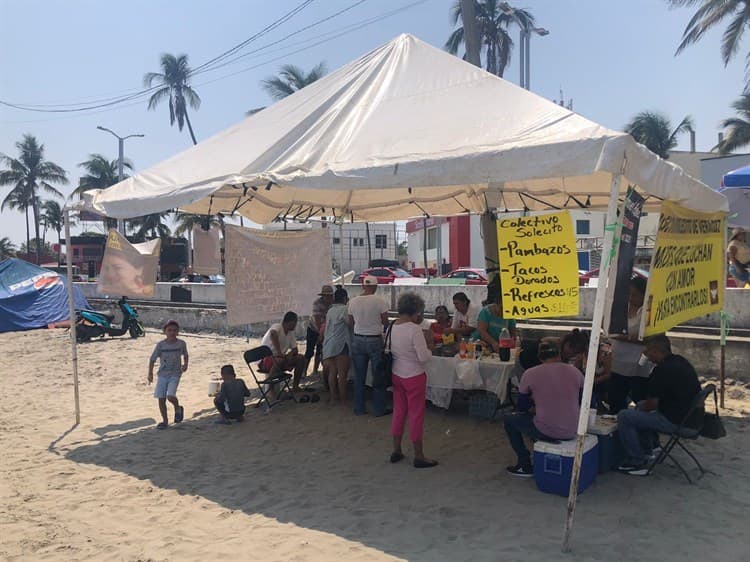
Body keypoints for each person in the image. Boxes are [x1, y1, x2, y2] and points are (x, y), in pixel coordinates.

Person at [617, 335, 703, 475]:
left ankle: (637, 460)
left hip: (678, 422)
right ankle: (648, 448)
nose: (647, 356)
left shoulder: (662, 370)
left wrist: (640, 407)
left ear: (656, 351)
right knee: (639, 407)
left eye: (648, 352)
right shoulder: (681, 361)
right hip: (692, 419)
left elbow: (652, 405)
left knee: (624, 416)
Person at [503, 340, 584, 477]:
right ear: (559, 354)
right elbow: (587, 400)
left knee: (509, 419)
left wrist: (536, 403)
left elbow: (522, 407)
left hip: (547, 429)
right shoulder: (575, 371)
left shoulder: (530, 373)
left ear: (539, 357)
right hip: (574, 428)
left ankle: (524, 464)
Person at [389, 292, 438, 468]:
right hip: (414, 376)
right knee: (416, 415)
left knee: (399, 412)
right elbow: (423, 357)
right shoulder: (414, 329)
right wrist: (430, 348)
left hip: (396, 374)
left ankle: (396, 449)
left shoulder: (392, 326)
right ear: (415, 311)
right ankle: (419, 455)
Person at [348, 275, 391, 416]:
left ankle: (359, 408)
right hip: (374, 340)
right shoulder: (379, 301)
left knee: (359, 377)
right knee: (378, 375)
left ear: (363, 286)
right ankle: (379, 409)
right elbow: (385, 322)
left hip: (358, 339)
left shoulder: (353, 301)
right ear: (376, 286)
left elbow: (351, 322)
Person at [608, 276, 650, 413]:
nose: (631, 298)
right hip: (617, 361)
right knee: (616, 399)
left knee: (639, 396)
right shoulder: (621, 307)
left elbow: (652, 338)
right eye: (629, 294)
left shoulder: (647, 311)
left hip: (637, 363)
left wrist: (625, 338)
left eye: (635, 295)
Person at [148, 319, 189, 429]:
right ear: (165, 332)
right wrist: (150, 373)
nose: (172, 332)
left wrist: (185, 365)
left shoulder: (181, 344)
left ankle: (177, 408)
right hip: (162, 374)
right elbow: (152, 359)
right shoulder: (161, 345)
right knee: (161, 398)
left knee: (170, 395)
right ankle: (165, 421)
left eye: (175, 330)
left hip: (175, 373)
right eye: (169, 330)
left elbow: (185, 355)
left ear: (178, 332)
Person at [260, 311, 307, 393]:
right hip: (266, 359)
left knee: (301, 358)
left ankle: (295, 386)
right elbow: (273, 334)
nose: (296, 325)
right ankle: (270, 388)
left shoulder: (290, 333)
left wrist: (290, 354)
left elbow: (295, 349)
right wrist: (279, 352)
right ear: (291, 322)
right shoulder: (277, 326)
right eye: (295, 323)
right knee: (279, 360)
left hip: (280, 359)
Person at [322, 286, 352, 404]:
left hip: (329, 344)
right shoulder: (344, 309)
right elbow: (350, 323)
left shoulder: (330, 310)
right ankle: (343, 399)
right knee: (342, 375)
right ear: (345, 298)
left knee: (332, 373)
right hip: (341, 344)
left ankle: (333, 397)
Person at [306, 285, 334, 378]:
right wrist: (320, 334)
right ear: (323, 295)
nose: (328, 297)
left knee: (320, 350)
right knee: (309, 351)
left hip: (326, 329)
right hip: (313, 328)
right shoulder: (317, 303)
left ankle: (315, 370)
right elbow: (317, 319)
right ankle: (304, 372)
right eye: (326, 295)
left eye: (329, 295)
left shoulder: (333, 303)